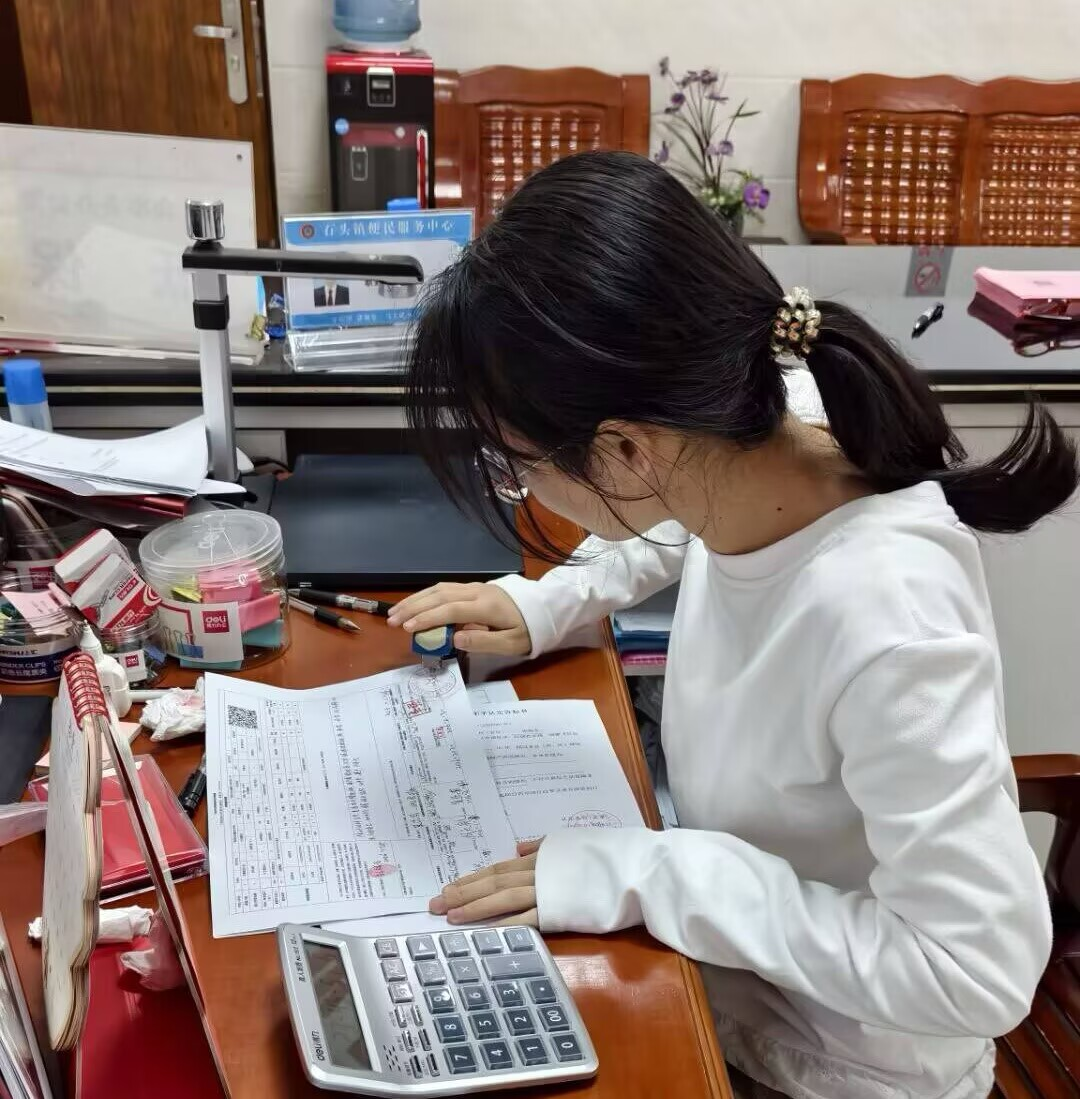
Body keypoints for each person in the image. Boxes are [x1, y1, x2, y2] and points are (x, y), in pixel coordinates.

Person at [387, 151, 1077, 1099]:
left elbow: (976, 970)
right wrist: (547, 600)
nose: (522, 487)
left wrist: (660, 873)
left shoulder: (883, 613)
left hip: (832, 1069)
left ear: (627, 450)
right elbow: (681, 516)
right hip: (724, 988)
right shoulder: (767, 419)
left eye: (516, 464)